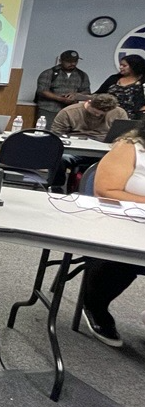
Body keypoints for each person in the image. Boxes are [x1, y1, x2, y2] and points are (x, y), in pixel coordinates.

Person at [76, 125, 145, 347]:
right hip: (119, 222)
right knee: (124, 256)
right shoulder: (131, 148)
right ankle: (95, 305)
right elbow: (106, 190)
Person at [51, 93, 128, 190]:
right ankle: (56, 187)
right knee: (60, 158)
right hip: (75, 149)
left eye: (102, 114)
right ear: (89, 102)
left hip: (104, 150)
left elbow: (125, 135)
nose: (98, 115)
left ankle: (109, 190)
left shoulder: (118, 113)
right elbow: (56, 135)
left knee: (124, 160)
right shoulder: (69, 112)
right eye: (95, 112)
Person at [36, 50, 90, 129]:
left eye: (75, 61)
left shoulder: (82, 75)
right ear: (61, 61)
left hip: (71, 110)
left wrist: (76, 95)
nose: (73, 64)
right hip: (49, 109)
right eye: (69, 61)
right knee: (47, 131)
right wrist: (61, 99)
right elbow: (42, 91)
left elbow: (87, 91)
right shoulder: (49, 73)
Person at [94, 55, 145, 121]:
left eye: (124, 66)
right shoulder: (113, 78)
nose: (120, 67)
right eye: (120, 65)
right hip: (109, 116)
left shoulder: (143, 81)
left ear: (134, 66)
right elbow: (99, 94)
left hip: (135, 118)